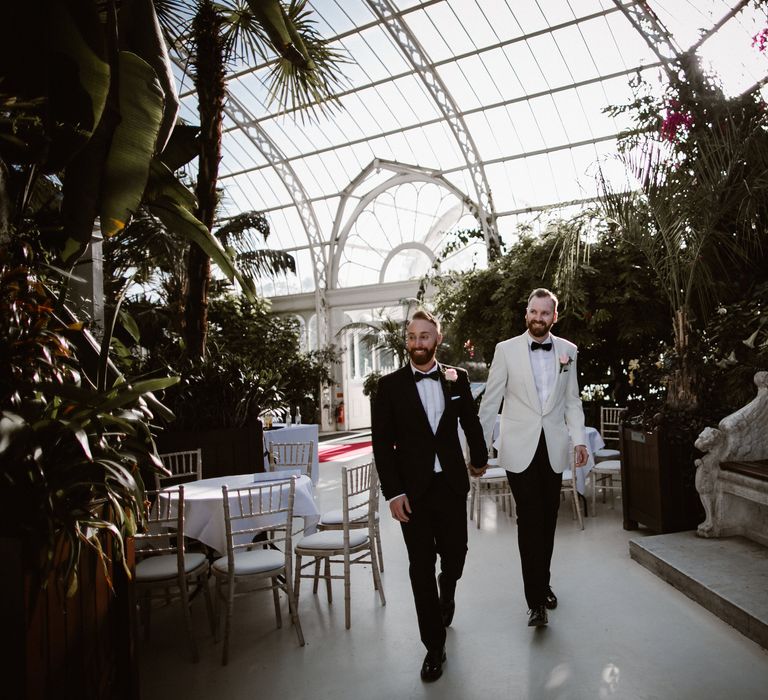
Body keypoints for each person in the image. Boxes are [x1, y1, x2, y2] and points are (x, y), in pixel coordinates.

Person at [372, 309, 487, 682]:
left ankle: (448, 587)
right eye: (412, 337)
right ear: (407, 342)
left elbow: (469, 420)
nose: (417, 343)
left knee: (456, 555)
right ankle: (433, 647)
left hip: (451, 485)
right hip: (414, 493)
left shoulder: (458, 379)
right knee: (420, 567)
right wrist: (394, 494)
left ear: (437, 340)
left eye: (424, 337)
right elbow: (382, 446)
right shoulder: (389, 387)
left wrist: (480, 458)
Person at [478, 288, 587, 628]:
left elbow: (572, 400)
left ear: (554, 317)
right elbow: (490, 401)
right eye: (533, 312)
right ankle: (536, 601)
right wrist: (480, 450)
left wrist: (579, 439)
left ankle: (543, 582)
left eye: (545, 313)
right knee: (530, 520)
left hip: (553, 446)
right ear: (526, 314)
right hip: (519, 446)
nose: (538, 318)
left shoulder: (568, 351)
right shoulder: (505, 350)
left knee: (549, 520)